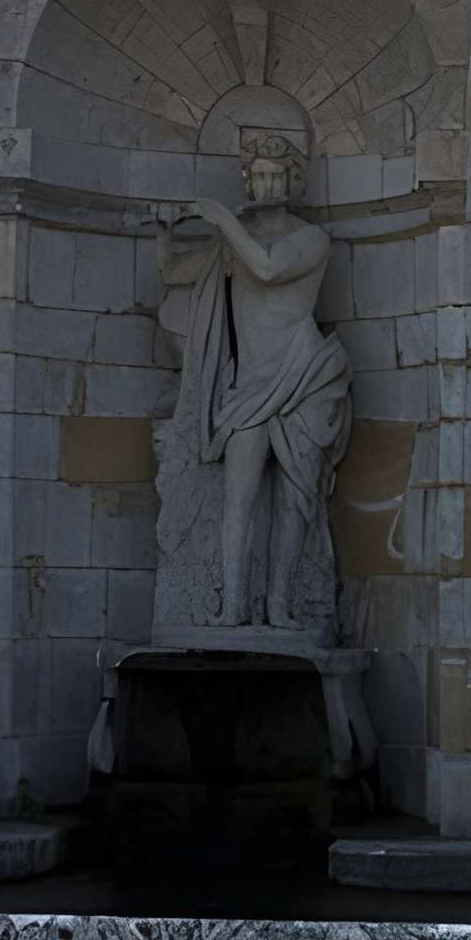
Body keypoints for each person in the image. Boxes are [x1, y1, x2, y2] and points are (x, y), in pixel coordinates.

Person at [157, 133, 352, 632]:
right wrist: (166, 230)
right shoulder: (232, 244)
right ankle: (234, 604)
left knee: (294, 501)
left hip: (303, 377)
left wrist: (220, 217)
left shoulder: (311, 238)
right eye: (259, 175)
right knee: (236, 498)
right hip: (250, 388)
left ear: (293, 180)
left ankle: (281, 605)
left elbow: (267, 269)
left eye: (276, 175)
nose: (266, 184)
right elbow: (174, 269)